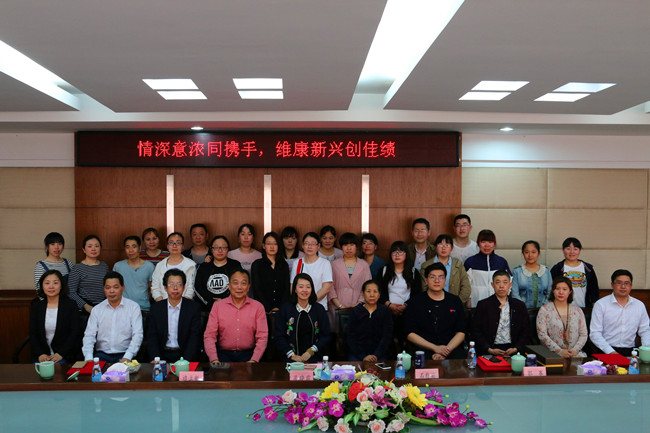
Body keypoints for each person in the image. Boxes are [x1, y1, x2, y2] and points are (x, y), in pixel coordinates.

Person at [203, 269, 268, 363]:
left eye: (243, 283)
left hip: (249, 355)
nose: (239, 287)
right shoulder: (218, 306)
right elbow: (209, 336)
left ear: (248, 287)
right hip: (222, 355)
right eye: (235, 283)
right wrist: (214, 359)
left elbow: (262, 337)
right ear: (229, 286)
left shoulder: (258, 307)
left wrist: (254, 360)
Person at [405, 263, 466, 360]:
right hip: (424, 349)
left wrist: (445, 351)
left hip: (451, 349)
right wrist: (435, 348)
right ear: (426, 280)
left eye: (441, 277)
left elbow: (461, 332)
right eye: (432, 277)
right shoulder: (415, 302)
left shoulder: (455, 301)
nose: (437, 280)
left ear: (445, 280)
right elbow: (410, 334)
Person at [82, 271, 143, 363]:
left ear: (123, 288)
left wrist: (128, 356)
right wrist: (88, 358)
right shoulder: (97, 309)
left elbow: (138, 334)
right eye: (108, 287)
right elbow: (89, 336)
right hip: (102, 355)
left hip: (125, 354)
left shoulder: (133, 307)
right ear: (104, 289)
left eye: (116, 287)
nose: (111, 291)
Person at [589, 269, 650, 356]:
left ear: (631, 286)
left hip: (631, 351)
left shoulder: (639, 305)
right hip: (606, 350)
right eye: (619, 283)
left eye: (626, 283)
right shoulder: (601, 304)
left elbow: (645, 331)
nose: (623, 286)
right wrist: (611, 352)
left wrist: (646, 350)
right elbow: (595, 333)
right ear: (612, 285)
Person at [147, 269, 202, 362]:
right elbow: (152, 337)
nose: (175, 288)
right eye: (171, 284)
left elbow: (194, 337)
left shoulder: (193, 308)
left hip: (185, 355)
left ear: (184, 287)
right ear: (165, 288)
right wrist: (155, 358)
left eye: (179, 284)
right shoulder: (156, 309)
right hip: (162, 355)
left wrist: (186, 361)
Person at [471, 270, 530, 356]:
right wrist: (489, 349)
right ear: (492, 285)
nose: (501, 286)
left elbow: (526, 331)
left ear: (510, 285)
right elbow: (475, 331)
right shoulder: (483, 305)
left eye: (505, 282)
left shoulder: (519, 305)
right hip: (490, 349)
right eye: (498, 282)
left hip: (514, 350)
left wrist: (516, 348)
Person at [274, 273, 331, 362]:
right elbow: (279, 336)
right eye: (301, 287)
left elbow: (326, 335)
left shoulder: (319, 309)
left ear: (312, 289)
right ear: (295, 289)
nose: (304, 290)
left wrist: (311, 351)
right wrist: (292, 355)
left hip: (314, 358)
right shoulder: (285, 309)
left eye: (308, 287)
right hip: (290, 358)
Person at [29, 270, 80, 363]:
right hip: (42, 356)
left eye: (55, 283)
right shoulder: (37, 306)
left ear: (61, 285)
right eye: (47, 283)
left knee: (58, 371)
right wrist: (41, 354)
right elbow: (33, 333)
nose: (51, 286)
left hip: (64, 355)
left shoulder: (70, 305)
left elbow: (74, 332)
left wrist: (60, 354)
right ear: (42, 286)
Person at [379, 241, 421, 346]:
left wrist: (405, 306)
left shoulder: (413, 272)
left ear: (406, 254)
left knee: (406, 339)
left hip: (407, 311)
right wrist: (389, 305)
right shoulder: (384, 271)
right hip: (387, 311)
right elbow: (379, 292)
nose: (397, 255)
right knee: (388, 340)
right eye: (394, 252)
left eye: (400, 252)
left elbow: (417, 294)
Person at [536, 276, 588, 358]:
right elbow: (542, 335)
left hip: (575, 354)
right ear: (553, 290)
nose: (561, 292)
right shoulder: (544, 310)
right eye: (557, 289)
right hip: (551, 355)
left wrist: (574, 350)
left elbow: (583, 334)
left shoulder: (578, 311)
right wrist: (559, 351)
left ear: (570, 291)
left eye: (564, 289)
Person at [420, 234, 471, 307]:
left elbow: (466, 288)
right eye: (440, 245)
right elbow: (424, 288)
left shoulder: (458, 264)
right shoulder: (426, 265)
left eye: (447, 245)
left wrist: (456, 303)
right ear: (436, 247)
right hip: (432, 305)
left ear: (452, 248)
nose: (443, 248)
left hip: (454, 305)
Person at [347, 280, 393, 362]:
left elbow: (387, 336)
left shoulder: (385, 311)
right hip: (358, 354)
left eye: (375, 291)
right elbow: (351, 336)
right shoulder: (356, 311)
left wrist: (376, 355)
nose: (372, 295)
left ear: (379, 294)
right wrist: (363, 356)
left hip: (380, 354)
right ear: (362, 294)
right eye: (368, 291)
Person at [194, 235, 242, 312]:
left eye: (223, 247)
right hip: (207, 310)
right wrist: (211, 302)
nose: (220, 250)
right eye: (216, 247)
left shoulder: (235, 265)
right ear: (212, 250)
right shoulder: (203, 267)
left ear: (228, 249)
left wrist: (225, 301)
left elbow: (240, 286)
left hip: (232, 308)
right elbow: (197, 288)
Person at [464, 229, 511, 308]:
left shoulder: (501, 262)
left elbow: (509, 281)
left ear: (494, 244)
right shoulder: (470, 262)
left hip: (498, 302)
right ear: (478, 243)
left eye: (490, 242)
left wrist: (505, 297)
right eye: (483, 242)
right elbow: (465, 284)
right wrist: (468, 300)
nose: (487, 245)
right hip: (476, 301)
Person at [550, 237, 599, 309]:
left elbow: (594, 290)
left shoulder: (588, 268)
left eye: (575, 249)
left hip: (584, 309)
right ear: (563, 250)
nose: (572, 252)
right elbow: (551, 290)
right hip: (562, 309)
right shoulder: (557, 268)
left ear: (579, 251)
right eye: (568, 249)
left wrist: (595, 308)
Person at [290, 232, 333, 310]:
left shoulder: (325, 263)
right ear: (302, 246)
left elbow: (326, 288)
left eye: (313, 244)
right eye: (306, 243)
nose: (309, 246)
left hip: (319, 306)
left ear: (318, 246)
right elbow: (292, 285)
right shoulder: (297, 263)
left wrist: (310, 302)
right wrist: (302, 303)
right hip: (300, 307)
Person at [329, 233, 372, 311]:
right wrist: (339, 305)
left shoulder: (364, 265)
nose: (349, 248)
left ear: (356, 247)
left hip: (359, 307)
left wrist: (359, 303)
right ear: (341, 247)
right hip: (337, 307)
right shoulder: (334, 264)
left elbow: (368, 286)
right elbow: (330, 287)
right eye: (345, 245)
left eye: (352, 245)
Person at [68, 235, 109, 313]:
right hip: (85, 310)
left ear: (100, 248)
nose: (93, 249)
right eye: (90, 246)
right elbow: (71, 292)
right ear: (84, 250)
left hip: (103, 308)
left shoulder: (104, 266)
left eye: (96, 246)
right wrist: (86, 306)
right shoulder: (77, 268)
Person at [112, 235, 155, 312]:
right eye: (127, 247)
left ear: (140, 248)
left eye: (134, 246)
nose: (131, 250)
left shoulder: (149, 266)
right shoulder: (118, 266)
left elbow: (152, 288)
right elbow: (114, 288)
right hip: (123, 309)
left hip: (143, 308)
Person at [251, 231, 291, 312]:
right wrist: (269, 308)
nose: (272, 247)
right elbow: (257, 290)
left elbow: (287, 289)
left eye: (275, 244)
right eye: (269, 243)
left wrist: (279, 308)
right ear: (264, 246)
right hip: (262, 309)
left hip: (281, 309)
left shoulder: (284, 265)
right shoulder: (257, 265)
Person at [151, 232, 196, 302]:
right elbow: (155, 288)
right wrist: (162, 304)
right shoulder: (160, 265)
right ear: (167, 246)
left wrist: (183, 305)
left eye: (178, 243)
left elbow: (191, 289)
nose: (174, 246)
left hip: (185, 304)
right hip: (163, 303)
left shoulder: (191, 265)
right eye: (171, 243)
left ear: (183, 246)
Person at [511, 240, 552, 309]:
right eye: (527, 252)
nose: (530, 255)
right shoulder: (517, 272)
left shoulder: (546, 271)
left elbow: (550, 292)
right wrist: (522, 308)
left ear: (538, 253)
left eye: (533, 252)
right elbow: (514, 294)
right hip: (522, 310)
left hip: (544, 310)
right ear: (523, 253)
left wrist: (544, 308)